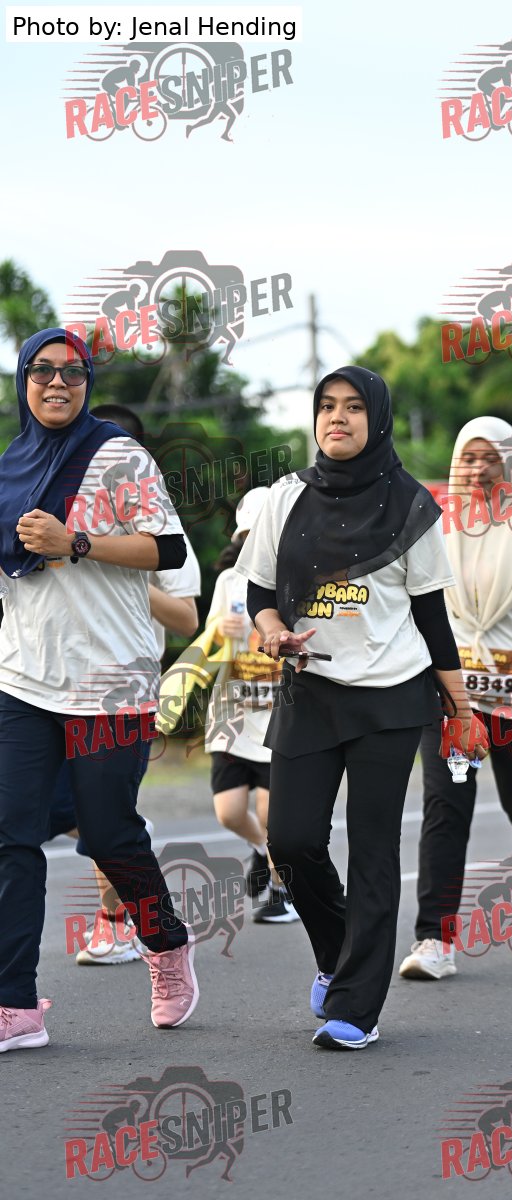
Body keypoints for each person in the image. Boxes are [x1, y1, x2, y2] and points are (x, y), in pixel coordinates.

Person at [236, 366, 488, 1050]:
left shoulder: (412, 506)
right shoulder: (284, 498)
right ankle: (338, 953)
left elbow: (432, 617)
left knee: (373, 850)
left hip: (392, 697)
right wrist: (271, 630)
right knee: (291, 841)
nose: (337, 418)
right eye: (326, 406)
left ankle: (357, 1009)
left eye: (352, 407)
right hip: (309, 691)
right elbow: (258, 591)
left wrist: (461, 709)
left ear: (377, 420)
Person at [0, 328, 199, 1050]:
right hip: (23, 678)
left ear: (87, 383)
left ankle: (165, 944)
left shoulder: (119, 457)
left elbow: (168, 549)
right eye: (43, 371)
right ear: (23, 381)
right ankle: (15, 1005)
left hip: (110, 682)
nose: (58, 383)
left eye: (73, 372)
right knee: (10, 835)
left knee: (109, 834)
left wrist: (75, 543)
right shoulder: (9, 466)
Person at [398, 417, 512, 981]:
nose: (478, 470)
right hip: (453, 696)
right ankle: (435, 939)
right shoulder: (435, 525)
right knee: (445, 809)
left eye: (490, 459)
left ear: (511, 463)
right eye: (468, 458)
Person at [56, 401, 202, 967]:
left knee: (101, 817)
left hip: (121, 685)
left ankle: (118, 923)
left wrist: (121, 571)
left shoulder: (160, 528)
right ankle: (125, 848)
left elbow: (187, 619)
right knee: (69, 813)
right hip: (51, 684)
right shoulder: (57, 513)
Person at [204, 487, 298, 924]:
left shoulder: (297, 585)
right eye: (248, 537)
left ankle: (282, 892)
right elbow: (205, 647)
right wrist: (219, 631)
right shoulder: (227, 582)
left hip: (278, 719)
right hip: (233, 718)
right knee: (228, 812)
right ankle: (261, 849)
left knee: (270, 812)